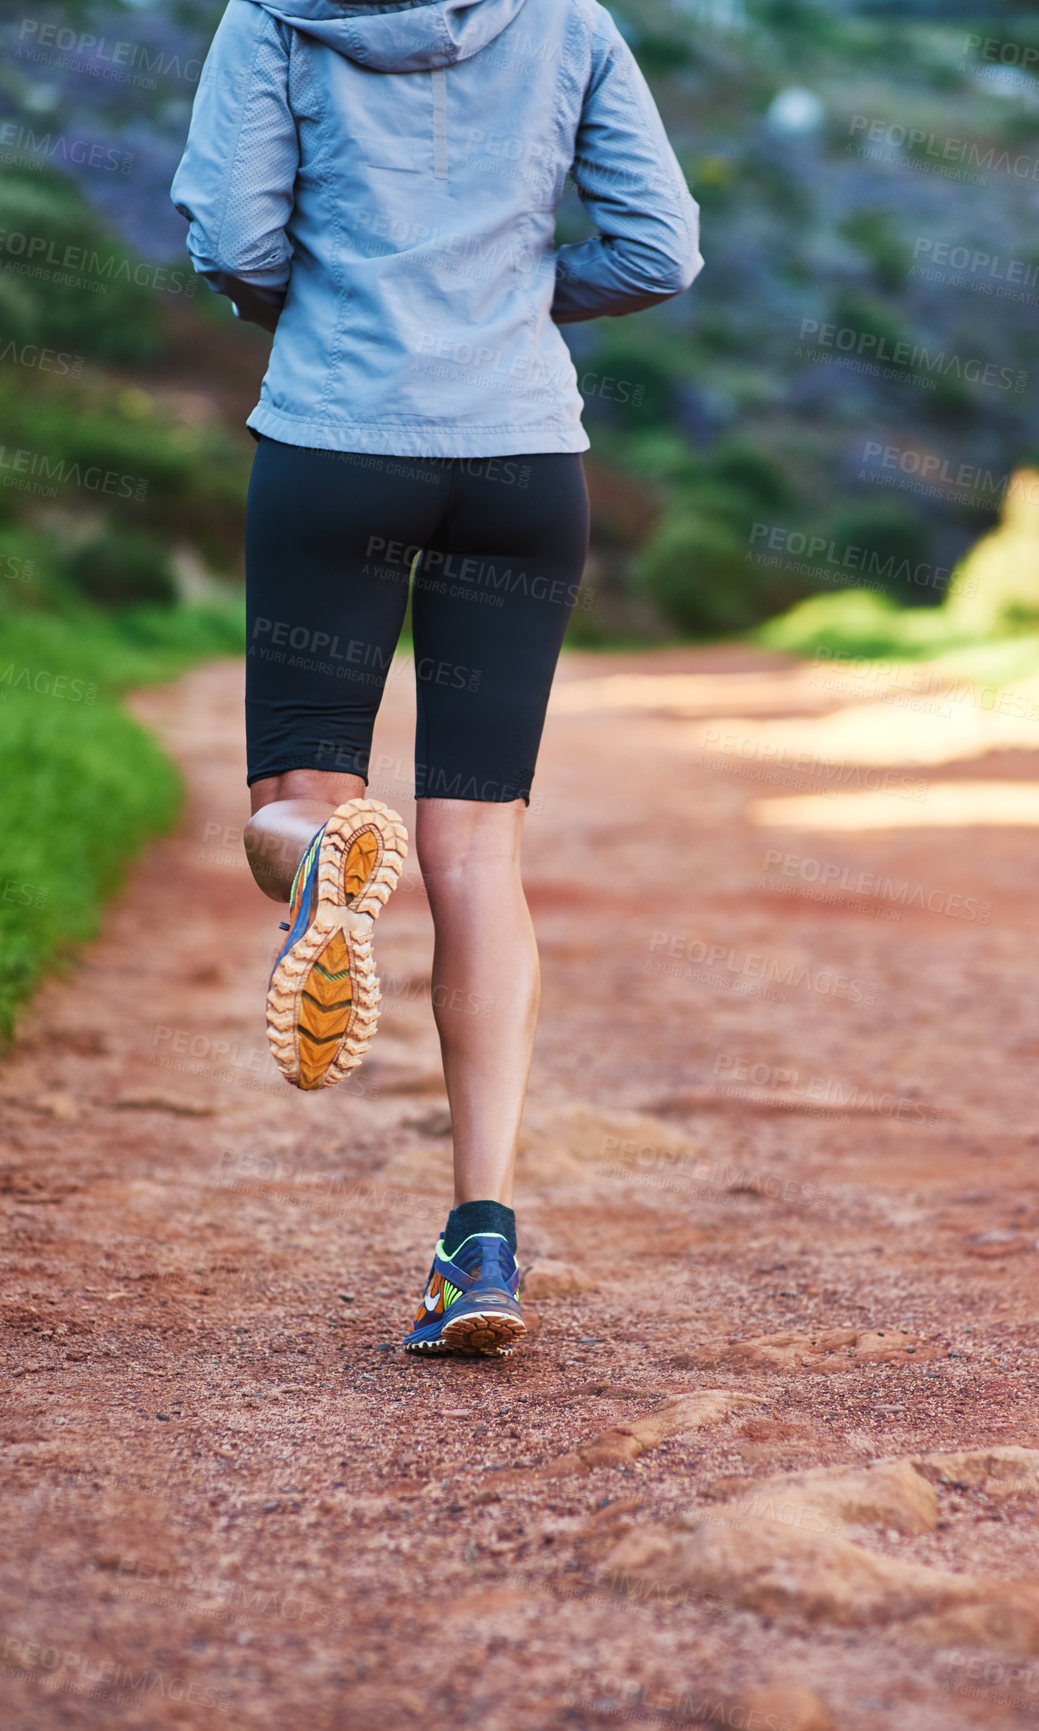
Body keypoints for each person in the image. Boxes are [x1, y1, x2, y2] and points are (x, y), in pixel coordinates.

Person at [170, 0, 701, 1357]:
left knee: (294, 794)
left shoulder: (275, 17)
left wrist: (319, 291)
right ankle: (482, 1247)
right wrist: (517, 288)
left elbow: (232, 237)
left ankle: (321, 857)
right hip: (524, 461)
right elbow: (660, 247)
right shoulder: (569, 18)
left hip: (338, 441)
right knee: (477, 856)